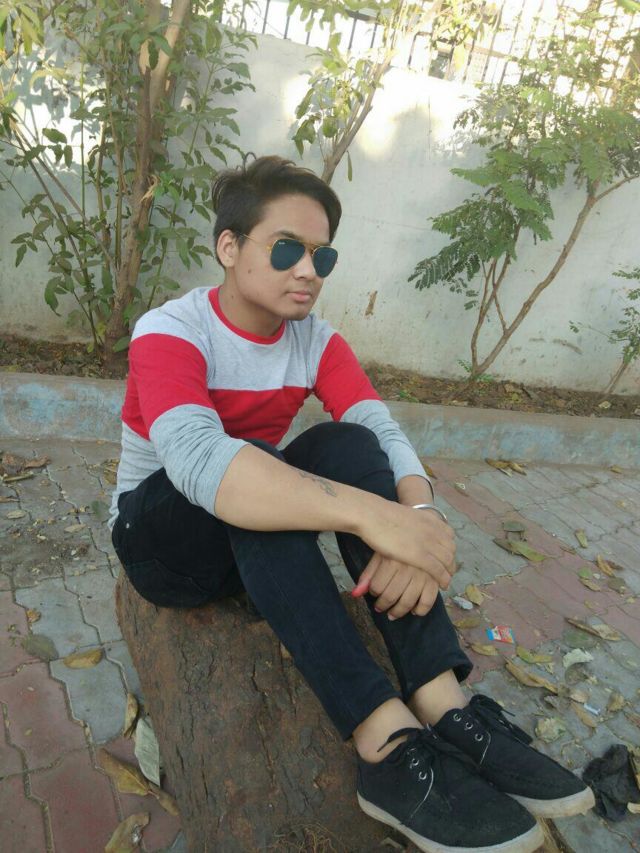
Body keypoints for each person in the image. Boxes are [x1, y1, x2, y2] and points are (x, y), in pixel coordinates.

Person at [110, 155, 594, 852]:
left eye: (322, 255)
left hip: (246, 518)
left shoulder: (315, 340)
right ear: (229, 247)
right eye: (287, 249)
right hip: (159, 540)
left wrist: (419, 520)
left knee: (346, 443)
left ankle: (443, 702)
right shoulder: (171, 329)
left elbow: (381, 431)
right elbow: (199, 461)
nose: (308, 270)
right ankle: (383, 742)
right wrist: (376, 517)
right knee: (264, 472)